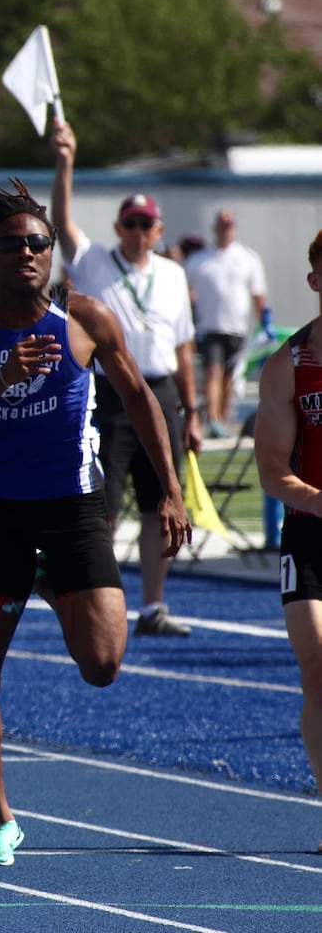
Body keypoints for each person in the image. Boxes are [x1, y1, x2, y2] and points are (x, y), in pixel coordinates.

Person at [0, 170, 190, 867]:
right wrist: (1, 379)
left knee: (101, 666)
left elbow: (138, 397)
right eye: (13, 245)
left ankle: (50, 583)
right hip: (0, 517)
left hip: (72, 514)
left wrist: (170, 489)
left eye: (38, 241)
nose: (29, 253)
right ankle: (1, 817)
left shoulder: (85, 318)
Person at [51, 118, 199, 637]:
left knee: (165, 501)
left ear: (158, 231)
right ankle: (99, 599)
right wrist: (65, 161)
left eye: (146, 224)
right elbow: (62, 221)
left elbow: (183, 345)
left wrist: (193, 408)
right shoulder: (93, 260)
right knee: (104, 505)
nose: (138, 232)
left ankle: (153, 605)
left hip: (159, 391)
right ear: (119, 228)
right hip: (111, 394)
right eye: (130, 223)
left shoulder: (175, 274)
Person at [252, 228, 322, 849]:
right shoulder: (289, 364)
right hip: (311, 532)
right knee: (317, 665)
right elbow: (273, 467)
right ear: (315, 281)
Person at [185, 209, 270, 438]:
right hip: (209, 327)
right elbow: (187, 294)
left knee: (228, 377)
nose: (225, 230)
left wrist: (265, 322)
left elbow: (258, 294)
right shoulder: (199, 260)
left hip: (237, 328)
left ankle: (221, 419)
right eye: (222, 226)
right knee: (213, 371)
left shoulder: (248, 258)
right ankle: (212, 418)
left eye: (229, 226)